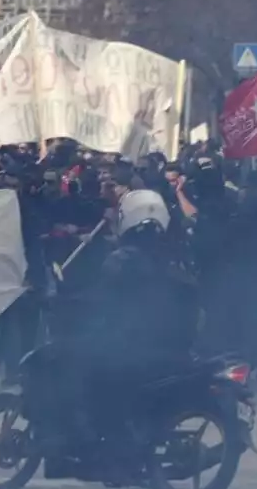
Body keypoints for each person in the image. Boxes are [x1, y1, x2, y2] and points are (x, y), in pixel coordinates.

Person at [57, 189, 197, 469]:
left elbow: (99, 297)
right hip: (170, 349)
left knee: (91, 380)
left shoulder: (122, 260)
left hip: (131, 346)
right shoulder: (170, 258)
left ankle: (115, 451)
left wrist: (66, 302)